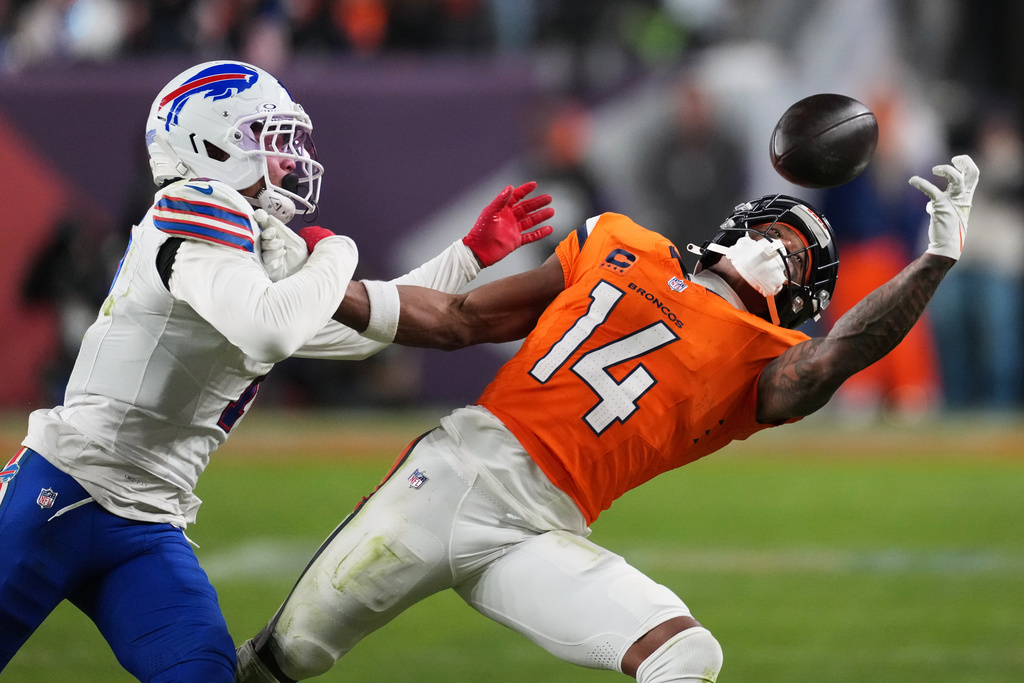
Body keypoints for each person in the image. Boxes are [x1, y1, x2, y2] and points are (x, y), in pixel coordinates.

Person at [236, 154, 979, 683]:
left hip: (542, 529)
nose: (776, 255)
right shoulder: (617, 241)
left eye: (795, 260)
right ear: (739, 225)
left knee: (686, 654)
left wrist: (932, 261)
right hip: (450, 477)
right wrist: (318, 288)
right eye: (775, 235)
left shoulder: (766, 356)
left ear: (801, 303)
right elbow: (459, 318)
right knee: (281, 661)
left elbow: (833, 360)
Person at [0, 60, 553, 681]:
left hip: (148, 523)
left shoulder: (250, 241)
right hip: (62, 491)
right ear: (210, 143)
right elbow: (271, 325)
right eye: (269, 137)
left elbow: (354, 333)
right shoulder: (195, 202)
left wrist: (467, 258)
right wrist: (334, 254)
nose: (289, 158)